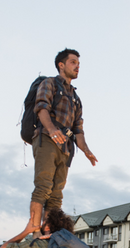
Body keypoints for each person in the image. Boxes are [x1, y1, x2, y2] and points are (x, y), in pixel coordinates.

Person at [26, 49, 97, 231]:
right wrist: (51, 129)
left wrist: (86, 150)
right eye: (73, 62)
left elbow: (78, 130)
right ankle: (34, 230)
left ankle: (50, 235)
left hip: (66, 148)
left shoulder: (76, 99)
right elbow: (41, 107)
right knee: (43, 187)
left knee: (57, 195)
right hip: (47, 140)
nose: (77, 67)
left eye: (78, 64)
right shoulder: (49, 83)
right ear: (61, 65)